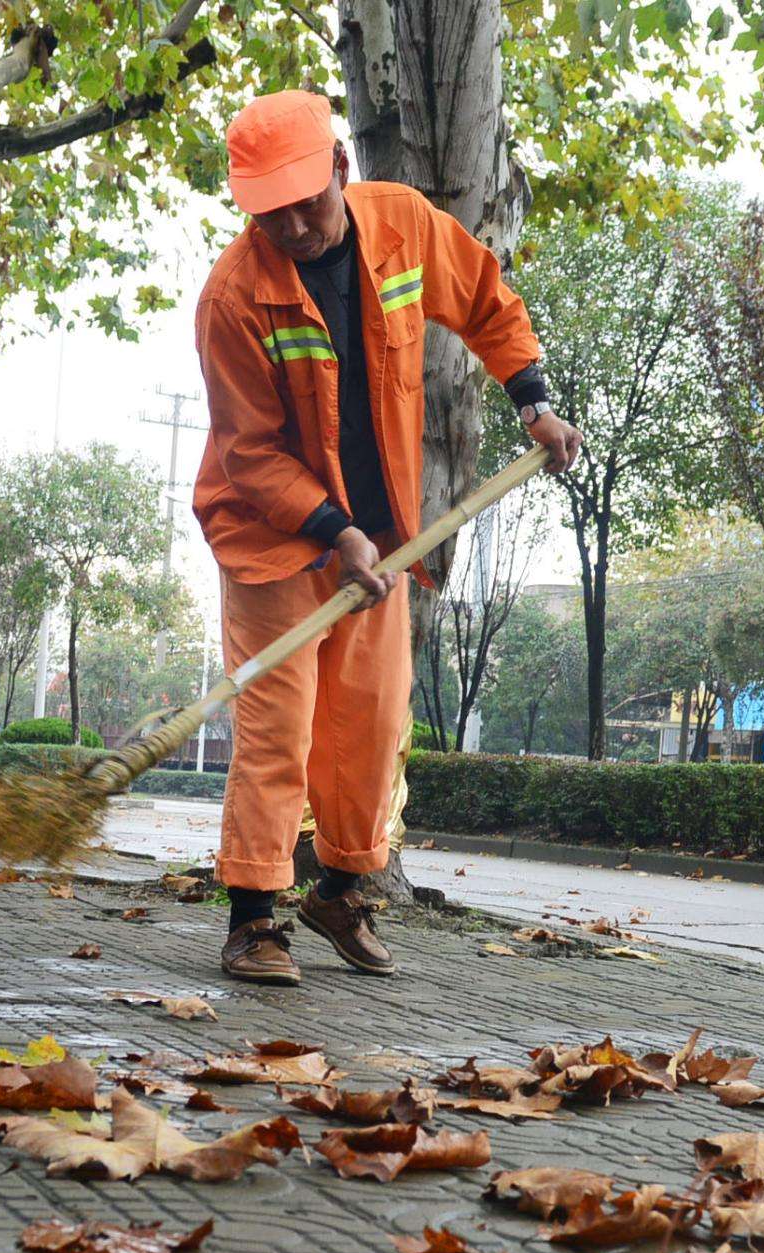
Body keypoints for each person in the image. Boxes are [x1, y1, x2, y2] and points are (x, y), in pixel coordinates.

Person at [192, 89, 580, 986]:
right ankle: (253, 918)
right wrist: (333, 530)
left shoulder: (401, 224)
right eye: (268, 212)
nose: (291, 224)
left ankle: (339, 891)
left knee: (369, 725)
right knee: (277, 729)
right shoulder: (233, 300)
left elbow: (485, 299)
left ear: (340, 168)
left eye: (306, 200)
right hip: (273, 538)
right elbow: (250, 453)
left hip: (384, 541)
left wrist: (535, 402)